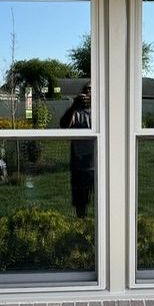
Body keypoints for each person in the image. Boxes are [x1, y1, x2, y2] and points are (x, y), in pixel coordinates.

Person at [60, 83, 94, 218]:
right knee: (81, 203)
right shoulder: (76, 112)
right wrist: (74, 106)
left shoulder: (101, 111)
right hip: (79, 166)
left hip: (99, 165)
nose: (87, 92)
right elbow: (63, 125)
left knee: (104, 201)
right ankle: (82, 228)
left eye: (91, 89)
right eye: (85, 90)